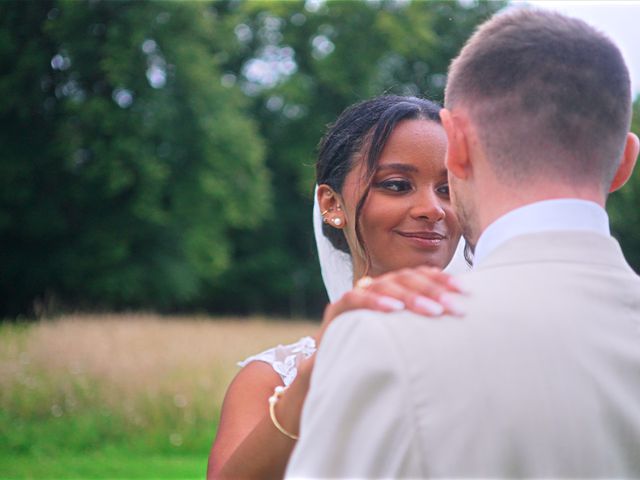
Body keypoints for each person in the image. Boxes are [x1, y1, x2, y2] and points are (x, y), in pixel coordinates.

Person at [286, 8, 640, 479]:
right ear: (625, 162)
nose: (430, 208)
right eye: (396, 184)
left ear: (455, 146)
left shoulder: (389, 342)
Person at [207, 96, 467, 479]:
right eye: (397, 185)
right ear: (332, 203)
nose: (433, 208)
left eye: (448, 189)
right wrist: (316, 380)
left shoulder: (501, 355)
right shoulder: (272, 379)